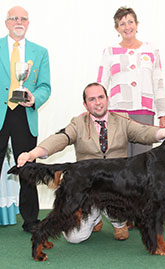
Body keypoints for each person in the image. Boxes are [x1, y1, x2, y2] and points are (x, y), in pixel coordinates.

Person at [17, 82, 165, 244]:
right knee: (74, 238)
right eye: (92, 99)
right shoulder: (78, 123)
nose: (97, 102)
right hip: (89, 186)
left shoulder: (122, 120)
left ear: (107, 99)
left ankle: (119, 221)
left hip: (118, 189)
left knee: (132, 196)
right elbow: (59, 139)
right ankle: (94, 216)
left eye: (100, 97)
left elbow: (144, 132)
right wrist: (32, 154)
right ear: (85, 104)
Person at [0, 6, 51, 232]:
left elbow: (45, 87)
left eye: (23, 18)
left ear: (28, 23)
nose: (19, 21)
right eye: (14, 18)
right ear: (7, 22)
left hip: (25, 114)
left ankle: (31, 220)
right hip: (2, 112)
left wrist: (34, 98)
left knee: (28, 168)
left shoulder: (40, 52)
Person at [97, 6, 165, 158]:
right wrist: (99, 113)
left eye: (130, 22)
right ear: (117, 28)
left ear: (137, 24)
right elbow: (101, 85)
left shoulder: (151, 50)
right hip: (118, 113)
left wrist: (163, 114)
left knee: (143, 164)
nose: (127, 27)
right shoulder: (109, 52)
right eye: (122, 24)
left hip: (144, 111)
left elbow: (158, 83)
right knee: (118, 162)